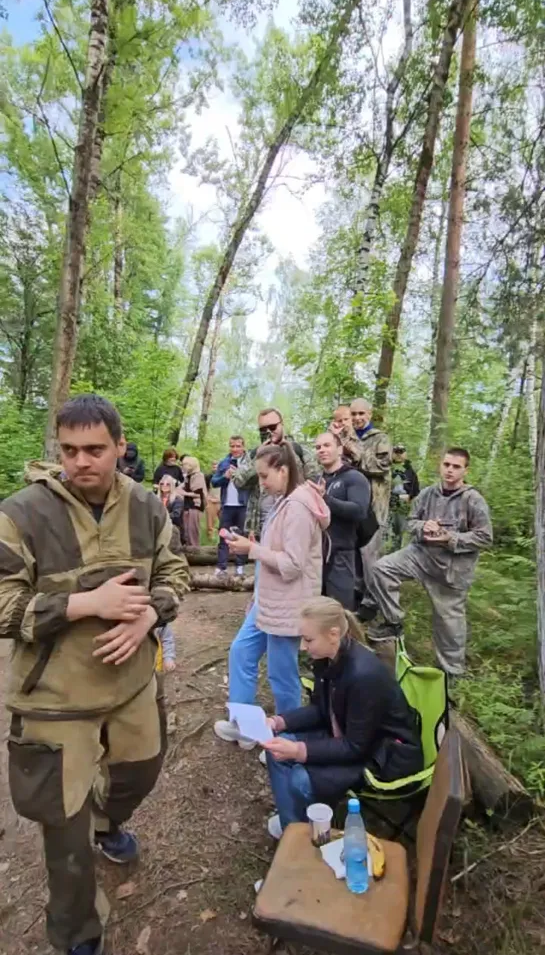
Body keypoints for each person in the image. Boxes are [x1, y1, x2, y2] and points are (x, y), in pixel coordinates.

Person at [0, 393, 189, 955]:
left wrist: (152, 613)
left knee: (141, 772)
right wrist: (88, 604)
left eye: (95, 449)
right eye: (69, 450)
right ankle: (78, 931)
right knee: (65, 832)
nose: (81, 461)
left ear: (120, 448)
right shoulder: (22, 513)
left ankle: (108, 822)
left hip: (132, 684)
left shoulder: (147, 505)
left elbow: (175, 572)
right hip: (54, 699)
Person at [262, 597, 423, 835]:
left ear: (333, 634)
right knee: (274, 748)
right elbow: (320, 709)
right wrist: (278, 721)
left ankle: (305, 830)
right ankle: (293, 828)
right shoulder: (328, 659)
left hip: (382, 755)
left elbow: (356, 747)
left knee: (300, 778)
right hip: (349, 736)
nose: (303, 647)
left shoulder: (363, 675)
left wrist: (299, 751)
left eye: (308, 640)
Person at [214, 441, 330, 748]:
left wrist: (251, 550)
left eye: (265, 476)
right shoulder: (283, 500)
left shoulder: (300, 507)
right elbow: (273, 552)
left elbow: (292, 565)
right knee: (241, 652)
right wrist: (256, 585)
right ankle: (245, 725)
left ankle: (289, 741)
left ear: (284, 470)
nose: (261, 484)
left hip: (290, 606)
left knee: (282, 676)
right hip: (268, 601)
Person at [369, 448, 493, 676]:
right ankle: (393, 622)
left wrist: (451, 538)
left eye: (456, 466)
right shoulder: (427, 493)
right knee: (382, 569)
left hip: (451, 569)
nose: (450, 470)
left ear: (466, 470)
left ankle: (452, 673)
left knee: (449, 623)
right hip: (420, 556)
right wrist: (423, 527)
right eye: (446, 464)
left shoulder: (473, 500)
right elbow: (412, 521)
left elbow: (485, 537)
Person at [232, 407, 319, 539]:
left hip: (295, 520)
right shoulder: (254, 453)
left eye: (272, 427)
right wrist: (258, 458)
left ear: (282, 424)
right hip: (262, 525)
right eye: (263, 429)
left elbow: (315, 480)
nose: (268, 432)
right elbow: (238, 481)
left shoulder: (299, 450)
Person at [314, 431, 370, 611]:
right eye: (318, 447)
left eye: (326, 445)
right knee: (317, 612)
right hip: (316, 555)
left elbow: (359, 511)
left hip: (341, 554)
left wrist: (326, 499)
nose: (321, 450)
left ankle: (347, 639)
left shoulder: (354, 477)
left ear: (339, 449)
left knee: (341, 611)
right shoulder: (318, 480)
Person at [349, 398, 392, 617]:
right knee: (354, 554)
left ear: (369, 413)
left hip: (374, 507)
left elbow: (382, 466)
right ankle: (357, 598)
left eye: (361, 414)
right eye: (353, 414)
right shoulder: (346, 437)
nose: (357, 418)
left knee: (370, 557)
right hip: (353, 506)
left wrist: (356, 453)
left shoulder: (380, 438)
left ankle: (374, 603)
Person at [211, 436, 249, 577]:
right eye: (232, 446)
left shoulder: (249, 463)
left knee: (241, 536)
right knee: (223, 536)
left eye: (238, 446)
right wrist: (224, 477)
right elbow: (214, 482)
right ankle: (222, 567)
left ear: (243, 447)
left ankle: (240, 566)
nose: (235, 449)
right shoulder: (224, 462)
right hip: (227, 505)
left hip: (243, 505)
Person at [389, 444, 420, 551]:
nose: (398, 454)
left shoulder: (410, 471)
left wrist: (409, 501)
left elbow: (416, 491)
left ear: (405, 454)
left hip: (403, 506)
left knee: (400, 532)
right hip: (386, 503)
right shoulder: (386, 468)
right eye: (396, 452)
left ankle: (395, 553)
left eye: (401, 452)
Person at [181, 455, 207, 546]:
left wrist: (184, 493)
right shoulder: (187, 476)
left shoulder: (198, 476)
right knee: (186, 531)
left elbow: (199, 493)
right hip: (187, 505)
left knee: (193, 531)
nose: (183, 467)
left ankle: (195, 551)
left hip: (195, 506)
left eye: (185, 465)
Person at [157, 474, 185, 541]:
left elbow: (176, 515)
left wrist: (161, 517)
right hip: (159, 525)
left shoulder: (177, 499)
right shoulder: (156, 498)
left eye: (168, 484)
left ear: (172, 485)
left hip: (173, 526)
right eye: (162, 484)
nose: (164, 486)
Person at [205, 461, 222, 539]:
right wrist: (208, 498)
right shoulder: (208, 476)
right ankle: (210, 539)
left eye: (216, 466)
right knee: (210, 523)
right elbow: (205, 489)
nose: (215, 467)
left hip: (222, 502)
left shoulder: (224, 476)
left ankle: (222, 538)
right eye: (213, 466)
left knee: (224, 522)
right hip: (211, 502)